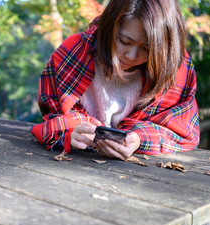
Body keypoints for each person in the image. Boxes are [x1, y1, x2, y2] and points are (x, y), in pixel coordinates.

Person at [31, 0, 200, 160]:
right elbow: (53, 113)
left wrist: (139, 139)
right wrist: (70, 131)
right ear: (109, 27)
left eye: (146, 48)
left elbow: (184, 131)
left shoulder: (176, 69)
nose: (132, 56)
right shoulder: (73, 51)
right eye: (125, 41)